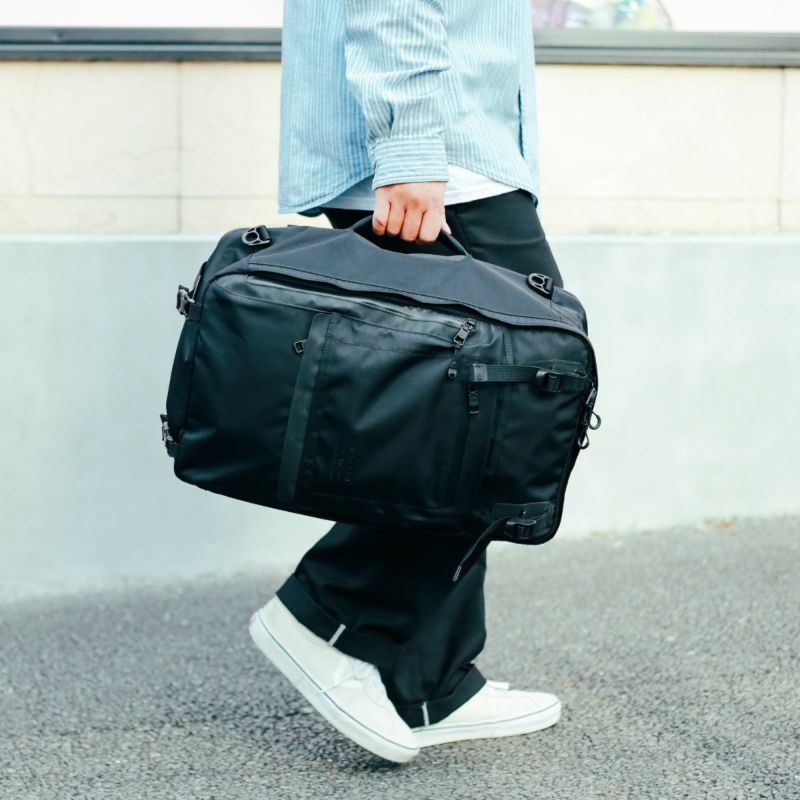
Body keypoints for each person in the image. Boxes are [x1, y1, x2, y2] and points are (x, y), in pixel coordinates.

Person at [248, 0, 565, 763]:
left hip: (452, 148)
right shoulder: (421, 146)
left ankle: (429, 681)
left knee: (462, 411)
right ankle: (327, 610)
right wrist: (410, 145)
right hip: (437, 155)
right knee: (524, 398)